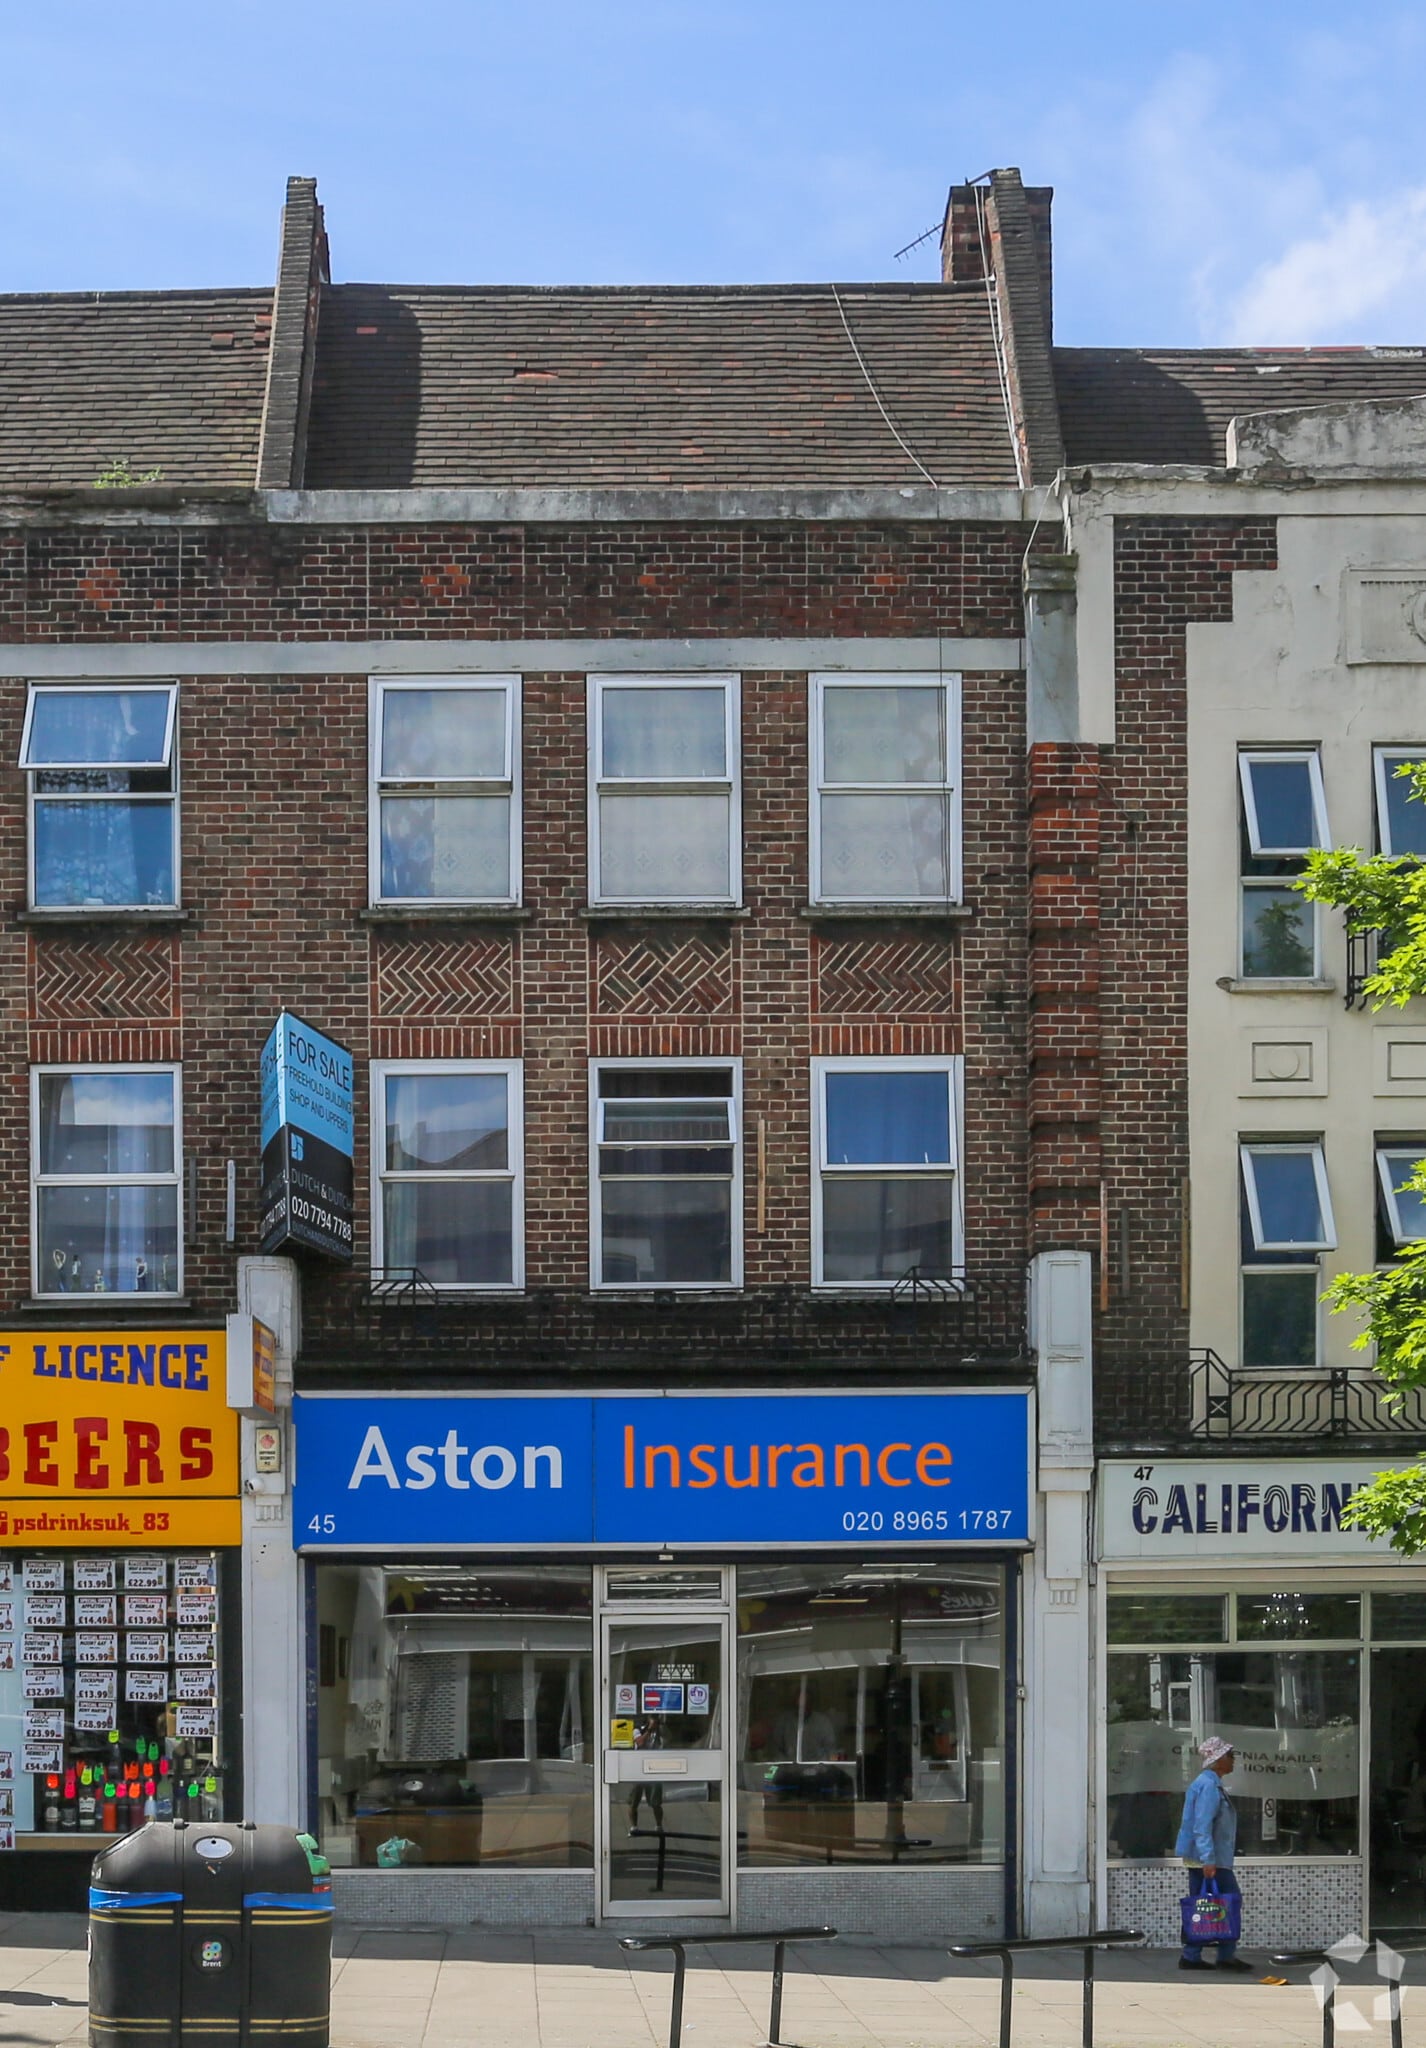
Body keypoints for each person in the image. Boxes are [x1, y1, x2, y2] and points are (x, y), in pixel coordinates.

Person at [1175, 1736, 1250, 1973]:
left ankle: (1194, 1955)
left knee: (1204, 1903)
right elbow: (1202, 1825)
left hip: (1207, 1858)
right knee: (1227, 1901)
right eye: (1230, 1756)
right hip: (1208, 1859)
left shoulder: (1209, 1783)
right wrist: (1208, 1859)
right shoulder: (1208, 1786)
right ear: (1218, 1760)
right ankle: (1222, 1955)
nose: (1233, 1760)